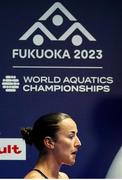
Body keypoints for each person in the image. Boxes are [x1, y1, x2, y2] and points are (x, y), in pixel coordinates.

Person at [21, 112, 81, 179]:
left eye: (76, 135)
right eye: (71, 136)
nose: (78, 143)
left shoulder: (64, 177)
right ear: (49, 142)